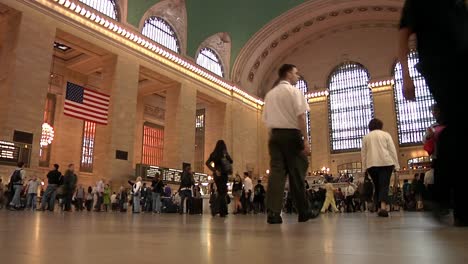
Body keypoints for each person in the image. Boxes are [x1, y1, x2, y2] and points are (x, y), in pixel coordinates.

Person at [399, 0, 467, 226]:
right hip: (439, 66)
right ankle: (441, 196)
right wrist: (406, 76)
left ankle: (451, 202)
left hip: (462, 63)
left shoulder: (457, 4)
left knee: (460, 131)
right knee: (457, 127)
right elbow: (403, 35)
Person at [262, 64, 317, 224]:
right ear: (287, 74)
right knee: (298, 171)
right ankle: (303, 211)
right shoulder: (294, 92)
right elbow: (301, 117)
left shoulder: (270, 95)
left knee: (276, 174)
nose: (297, 76)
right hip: (291, 135)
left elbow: (266, 120)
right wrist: (305, 140)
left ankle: (273, 213)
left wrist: (273, 138)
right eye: (296, 73)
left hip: (274, 136)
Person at [361, 118, 400, 217]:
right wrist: (397, 166)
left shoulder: (366, 137)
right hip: (386, 163)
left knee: (377, 185)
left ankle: (378, 208)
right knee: (384, 185)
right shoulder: (386, 135)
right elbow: (392, 150)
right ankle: (383, 207)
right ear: (380, 126)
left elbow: (363, 154)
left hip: (372, 164)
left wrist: (364, 168)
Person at [205, 140, 233, 217]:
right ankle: (219, 210)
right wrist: (226, 156)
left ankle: (219, 210)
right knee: (222, 193)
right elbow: (231, 161)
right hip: (224, 174)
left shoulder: (214, 154)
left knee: (221, 192)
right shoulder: (224, 153)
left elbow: (207, 163)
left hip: (217, 175)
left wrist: (214, 170)